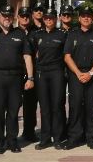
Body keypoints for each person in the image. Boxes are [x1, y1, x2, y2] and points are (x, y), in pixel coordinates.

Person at [0, 5, 35, 154]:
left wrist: (30, 77)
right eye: (4, 16)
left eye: (9, 16)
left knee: (13, 111)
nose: (7, 18)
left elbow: (27, 56)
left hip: (15, 78)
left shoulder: (20, 34)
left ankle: (12, 141)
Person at [61, 6, 93, 150]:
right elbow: (67, 57)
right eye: (83, 16)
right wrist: (78, 73)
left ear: (92, 18)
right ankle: (74, 137)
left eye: (88, 16)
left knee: (90, 108)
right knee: (75, 107)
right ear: (79, 18)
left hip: (92, 75)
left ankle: (91, 138)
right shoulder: (72, 34)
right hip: (76, 75)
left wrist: (91, 73)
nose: (86, 18)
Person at [29, 8, 68, 150]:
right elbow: (30, 53)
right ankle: (45, 138)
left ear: (56, 19)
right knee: (44, 107)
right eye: (46, 18)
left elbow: (67, 55)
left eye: (51, 18)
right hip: (42, 73)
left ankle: (57, 138)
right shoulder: (36, 35)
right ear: (43, 19)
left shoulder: (62, 35)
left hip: (57, 72)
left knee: (57, 106)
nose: (48, 20)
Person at [16, 7, 39, 143]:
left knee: (31, 104)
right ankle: (12, 134)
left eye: (27, 16)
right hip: (17, 72)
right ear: (18, 17)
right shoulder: (13, 32)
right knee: (15, 104)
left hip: (32, 72)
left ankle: (29, 131)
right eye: (22, 16)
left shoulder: (35, 32)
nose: (25, 18)